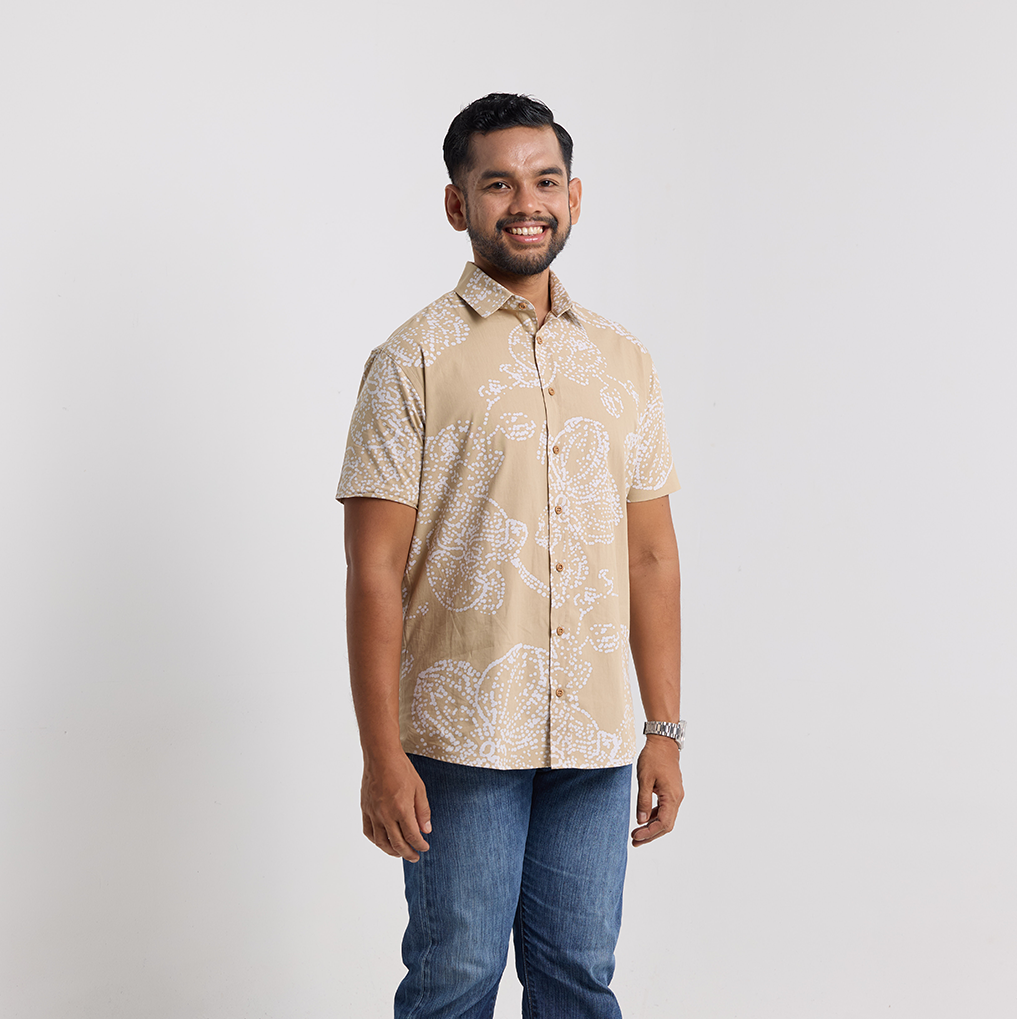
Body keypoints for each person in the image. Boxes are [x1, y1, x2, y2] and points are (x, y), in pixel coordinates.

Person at [337, 93, 685, 1019]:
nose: (523, 203)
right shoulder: (408, 360)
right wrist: (381, 756)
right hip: (460, 742)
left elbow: (650, 556)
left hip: (597, 740)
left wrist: (665, 728)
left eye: (542, 182)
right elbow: (372, 570)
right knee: (454, 981)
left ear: (572, 196)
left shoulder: (624, 362)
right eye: (497, 183)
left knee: (579, 980)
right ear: (458, 204)